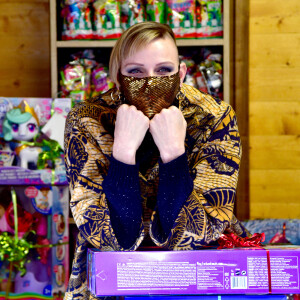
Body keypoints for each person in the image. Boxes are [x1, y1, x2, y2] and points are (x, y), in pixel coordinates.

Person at [64, 21, 249, 299]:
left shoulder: (214, 116)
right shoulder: (87, 119)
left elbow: (201, 233)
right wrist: (123, 153)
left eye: (164, 70)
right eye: (136, 71)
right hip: (111, 279)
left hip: (204, 273)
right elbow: (108, 238)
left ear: (182, 73)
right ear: (117, 76)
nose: (150, 83)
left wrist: (173, 152)